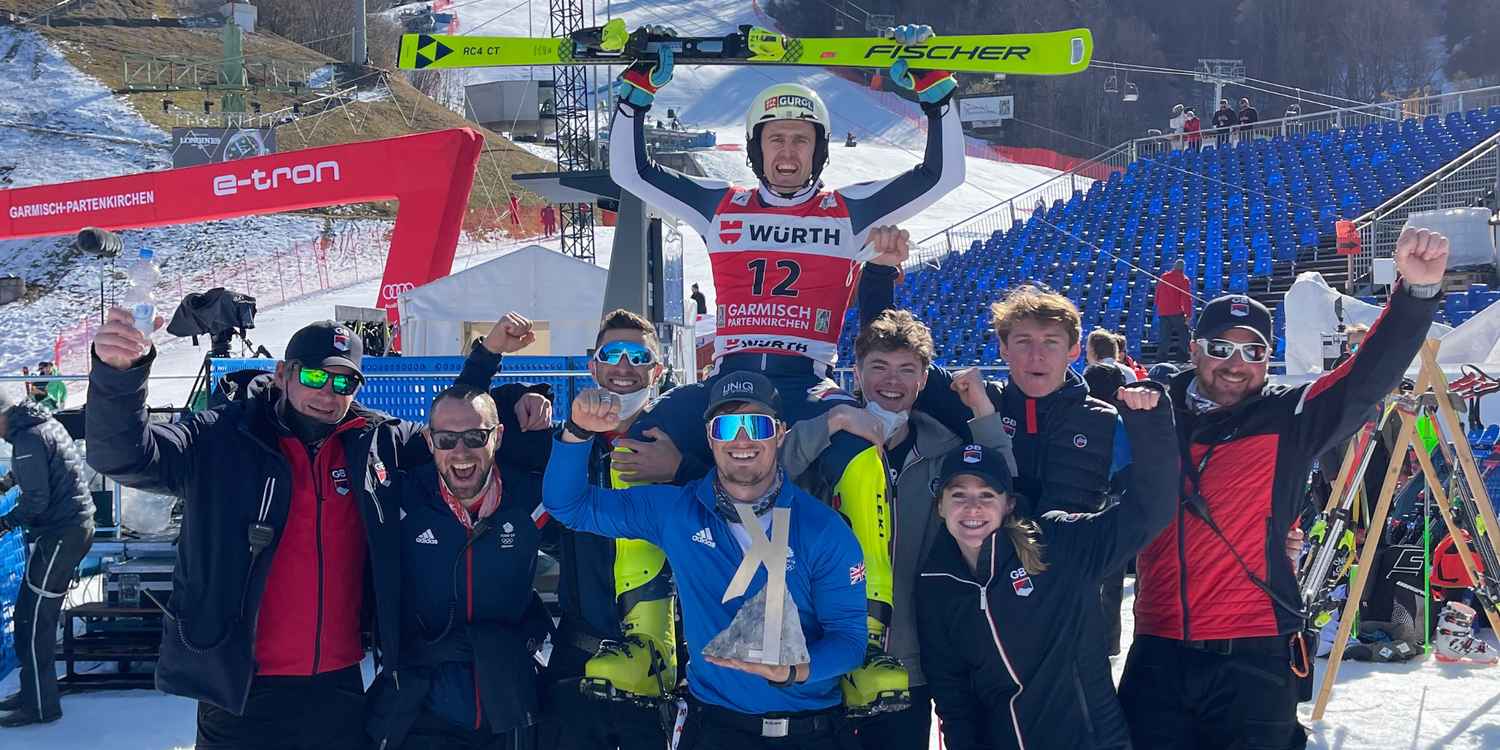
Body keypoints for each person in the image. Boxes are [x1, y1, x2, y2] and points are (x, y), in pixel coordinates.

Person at [608, 20, 964, 713]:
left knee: (861, 459)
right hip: (729, 379)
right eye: (776, 138)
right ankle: (646, 640)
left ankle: (867, 639)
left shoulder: (852, 210)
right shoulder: (721, 205)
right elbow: (632, 171)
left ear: (819, 150)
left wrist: (935, 96)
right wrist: (636, 95)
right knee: (629, 452)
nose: (788, 150)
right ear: (755, 148)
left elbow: (940, 173)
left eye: (801, 139)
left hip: (806, 383)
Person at [86, 308, 538, 750]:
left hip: (337, 685)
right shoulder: (222, 437)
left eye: (344, 381)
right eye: (316, 376)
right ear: (283, 373)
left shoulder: (375, 441)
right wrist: (119, 376)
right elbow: (124, 456)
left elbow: (458, 429)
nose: (328, 392)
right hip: (241, 685)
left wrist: (507, 383)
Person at [1118, 226, 1450, 750]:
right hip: (1158, 649)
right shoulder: (1154, 418)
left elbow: (1365, 379)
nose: (1236, 363)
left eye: (1253, 352)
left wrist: (1415, 297)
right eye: (1221, 347)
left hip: (1254, 650)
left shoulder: (1289, 418)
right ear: (1196, 351)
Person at [544, 372, 868, 749]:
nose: (742, 439)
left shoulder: (823, 528)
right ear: (711, 437)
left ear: (780, 434)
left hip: (813, 731)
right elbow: (568, 505)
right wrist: (577, 432)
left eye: (757, 425)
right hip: (717, 729)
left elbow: (849, 641)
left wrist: (792, 670)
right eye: (728, 426)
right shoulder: (675, 512)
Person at [778, 309, 1016, 750]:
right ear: (857, 372)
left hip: (907, 659)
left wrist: (982, 410)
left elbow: (1003, 480)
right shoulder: (822, 438)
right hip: (820, 651)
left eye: (907, 370)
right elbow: (757, 480)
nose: (893, 381)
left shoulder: (943, 450)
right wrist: (831, 423)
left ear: (924, 380)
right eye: (880, 367)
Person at [917, 380, 1176, 750]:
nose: (972, 508)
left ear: (1008, 504)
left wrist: (1150, 424)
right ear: (940, 506)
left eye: (987, 495)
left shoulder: (1057, 542)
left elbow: (1149, 513)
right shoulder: (936, 580)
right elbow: (952, 692)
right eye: (958, 495)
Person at [365, 385, 551, 750]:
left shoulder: (532, 497)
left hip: (507, 702)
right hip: (421, 704)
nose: (461, 451)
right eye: (447, 438)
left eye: (475, 436)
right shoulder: (399, 498)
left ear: (497, 437)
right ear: (430, 442)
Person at [537, 310, 675, 750]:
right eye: (610, 353)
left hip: (662, 660)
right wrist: (523, 394)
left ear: (658, 370)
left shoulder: (683, 441)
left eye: (638, 356)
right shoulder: (567, 443)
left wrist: (683, 468)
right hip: (579, 654)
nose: (623, 366)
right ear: (593, 365)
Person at [0, 387, 94, 727]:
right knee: (26, 613)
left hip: (62, 534)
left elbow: (36, 500)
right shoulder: (39, 424)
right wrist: (8, 482)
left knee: (37, 620)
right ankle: (31, 693)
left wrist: (5, 523)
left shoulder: (26, 438)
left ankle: (41, 706)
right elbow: (41, 468)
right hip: (66, 530)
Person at [1155, 259, 1194, 362]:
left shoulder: (1164, 277)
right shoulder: (1183, 279)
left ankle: (1161, 358)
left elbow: (1157, 296)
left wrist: (1160, 307)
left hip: (1162, 311)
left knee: (1165, 337)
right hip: (1175, 311)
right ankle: (1182, 356)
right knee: (1185, 334)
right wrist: (1189, 314)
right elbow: (1186, 298)